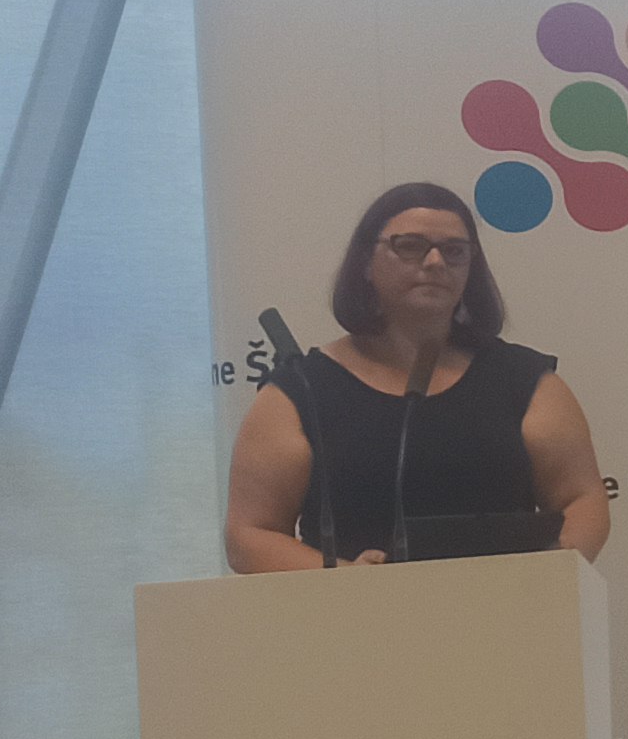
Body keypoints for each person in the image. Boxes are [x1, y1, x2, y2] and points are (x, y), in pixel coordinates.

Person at [224, 182, 608, 572]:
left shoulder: (524, 382)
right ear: (365, 262)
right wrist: (344, 577)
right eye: (410, 246)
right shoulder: (302, 391)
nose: (436, 262)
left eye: (454, 251)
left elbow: (582, 499)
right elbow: (249, 535)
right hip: (354, 607)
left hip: (511, 603)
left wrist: (553, 568)